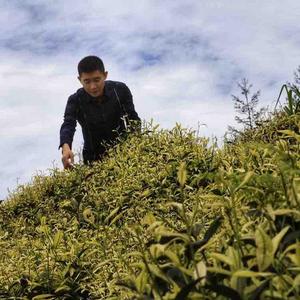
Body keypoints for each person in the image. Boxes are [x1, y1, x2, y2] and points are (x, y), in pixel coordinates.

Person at [59, 55, 140, 169]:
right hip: (93, 162)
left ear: (105, 75)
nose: (93, 87)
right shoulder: (75, 100)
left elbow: (132, 120)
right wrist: (65, 146)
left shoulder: (120, 90)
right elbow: (68, 124)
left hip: (126, 154)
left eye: (97, 80)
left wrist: (137, 147)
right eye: (87, 81)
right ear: (79, 80)